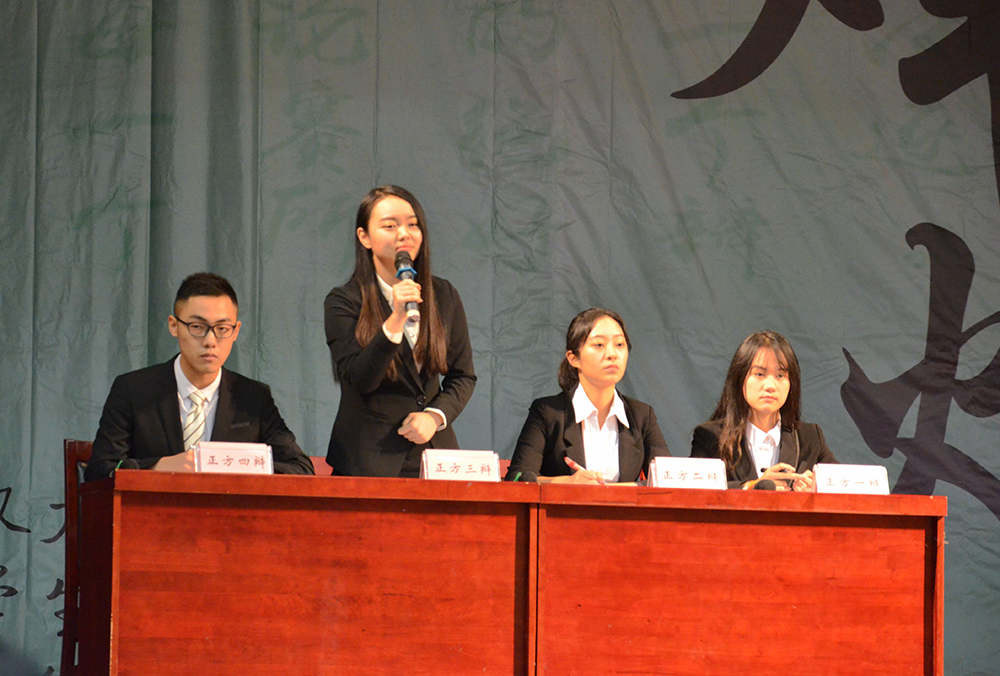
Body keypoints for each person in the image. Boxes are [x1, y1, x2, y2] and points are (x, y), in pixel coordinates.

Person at [85, 273, 314, 481]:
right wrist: (158, 466)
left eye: (222, 329)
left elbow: (300, 468)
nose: (210, 341)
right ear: (174, 326)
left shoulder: (253, 398)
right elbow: (100, 470)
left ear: (236, 331)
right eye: (197, 326)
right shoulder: (133, 390)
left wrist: (232, 466)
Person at [324, 186, 476, 477]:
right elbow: (360, 380)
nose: (404, 234)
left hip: (432, 456)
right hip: (367, 461)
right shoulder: (343, 301)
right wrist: (395, 319)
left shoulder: (444, 294)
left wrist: (435, 416)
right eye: (390, 226)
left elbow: (463, 375)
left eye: (412, 224)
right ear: (364, 237)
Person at [506, 308, 670, 484]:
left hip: (625, 503)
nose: (612, 354)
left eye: (619, 345)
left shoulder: (642, 415)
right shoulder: (548, 413)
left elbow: (669, 478)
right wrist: (567, 483)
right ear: (574, 358)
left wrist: (617, 491)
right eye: (599, 345)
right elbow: (517, 478)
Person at [690, 330, 837, 490]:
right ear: (740, 379)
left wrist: (815, 491)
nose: (770, 386)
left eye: (780, 375)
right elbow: (696, 491)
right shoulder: (710, 437)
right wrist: (754, 487)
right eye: (760, 374)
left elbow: (842, 486)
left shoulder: (810, 438)